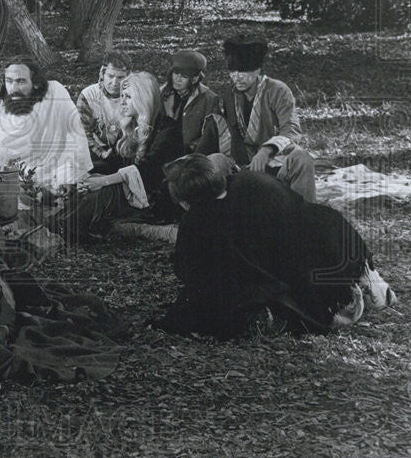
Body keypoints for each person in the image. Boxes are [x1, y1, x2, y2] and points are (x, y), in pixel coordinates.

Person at [155, 154, 396, 338]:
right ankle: (365, 284)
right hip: (340, 258)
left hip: (307, 290)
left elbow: (190, 272)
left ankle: (279, 313)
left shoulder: (199, 222)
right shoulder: (252, 180)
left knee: (215, 294)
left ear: (188, 200)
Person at [200, 33, 317, 202]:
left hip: (275, 160)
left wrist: (266, 150)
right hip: (244, 164)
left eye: (243, 71)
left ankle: (304, 218)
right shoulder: (229, 96)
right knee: (214, 161)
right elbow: (229, 133)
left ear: (256, 71)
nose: (236, 77)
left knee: (302, 158)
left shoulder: (277, 90)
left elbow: (291, 128)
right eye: (232, 72)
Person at [74, 71, 184, 231]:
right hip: (131, 192)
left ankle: (65, 229)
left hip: (155, 199)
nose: (122, 102)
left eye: (128, 97)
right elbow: (115, 163)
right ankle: (56, 224)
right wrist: (88, 175)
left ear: (143, 99)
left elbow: (148, 169)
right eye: (122, 96)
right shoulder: (129, 127)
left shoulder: (168, 129)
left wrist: (103, 181)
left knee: (108, 190)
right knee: (89, 186)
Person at [0, 56, 92, 194]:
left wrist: (65, 176)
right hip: (20, 180)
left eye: (21, 81)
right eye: (9, 81)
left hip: (60, 172)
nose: (14, 88)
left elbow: (75, 138)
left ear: (36, 83)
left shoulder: (54, 95)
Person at [76, 52, 132, 173]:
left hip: (126, 152)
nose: (115, 82)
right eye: (110, 76)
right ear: (103, 74)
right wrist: (101, 153)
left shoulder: (134, 95)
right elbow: (83, 132)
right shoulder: (88, 95)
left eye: (120, 77)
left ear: (128, 76)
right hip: (96, 152)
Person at [160, 50, 223, 154]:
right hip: (162, 152)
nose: (177, 79)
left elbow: (210, 136)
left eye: (184, 76)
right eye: (175, 73)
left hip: (191, 155)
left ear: (194, 79)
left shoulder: (209, 99)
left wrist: (191, 149)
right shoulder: (162, 93)